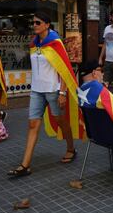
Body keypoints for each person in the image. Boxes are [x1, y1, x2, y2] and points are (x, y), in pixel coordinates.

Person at [8, 12, 79, 177]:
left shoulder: (55, 43)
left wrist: (62, 92)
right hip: (36, 91)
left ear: (47, 25)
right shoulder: (34, 44)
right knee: (33, 125)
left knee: (61, 121)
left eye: (38, 23)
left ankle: (71, 148)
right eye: (33, 23)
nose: (34, 26)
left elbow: (64, 69)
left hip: (53, 90)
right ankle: (25, 165)